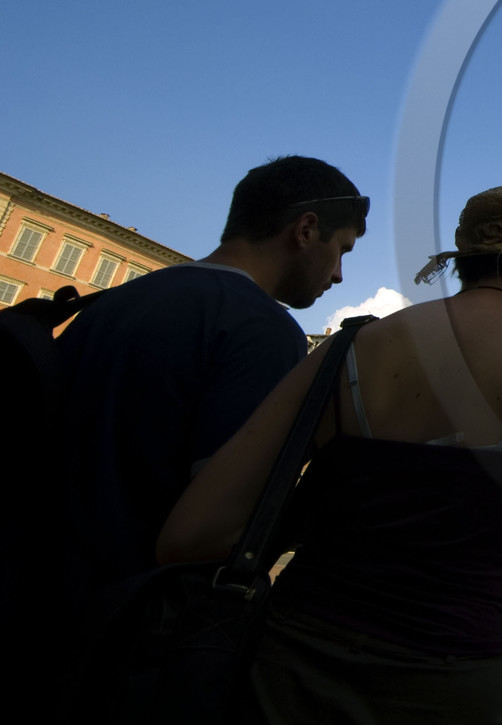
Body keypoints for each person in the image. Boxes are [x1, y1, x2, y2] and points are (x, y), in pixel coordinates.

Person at [158, 185, 502, 725]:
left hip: (293, 674)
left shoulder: (348, 348)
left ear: (464, 264)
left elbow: (190, 531)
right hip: (452, 692)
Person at [66, 155, 366, 594]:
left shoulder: (112, 302)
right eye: (340, 249)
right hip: (131, 618)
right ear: (305, 231)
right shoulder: (263, 329)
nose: (338, 274)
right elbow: (222, 526)